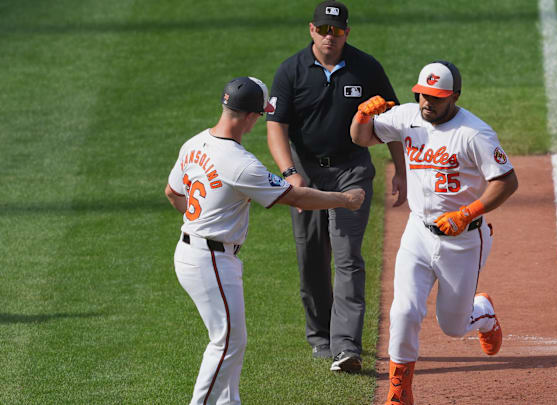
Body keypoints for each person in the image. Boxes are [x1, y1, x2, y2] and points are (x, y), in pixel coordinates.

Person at [164, 76, 365, 405]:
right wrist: (343, 199)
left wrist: (197, 221)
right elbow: (295, 196)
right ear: (251, 116)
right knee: (226, 341)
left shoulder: (194, 143)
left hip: (192, 251)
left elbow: (173, 192)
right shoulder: (240, 164)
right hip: (210, 260)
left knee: (233, 340)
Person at [350, 61, 519, 405]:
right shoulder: (407, 116)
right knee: (404, 311)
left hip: (464, 239)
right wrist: (361, 116)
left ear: (454, 96)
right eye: (423, 95)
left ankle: (483, 311)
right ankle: (399, 392)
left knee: (453, 327)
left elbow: (506, 181)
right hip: (418, 232)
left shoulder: (474, 133)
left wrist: (466, 213)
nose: (428, 102)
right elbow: (361, 138)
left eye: (437, 97)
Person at [265, 0, 406, 372]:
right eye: (323, 30)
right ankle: (320, 338)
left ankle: (347, 347)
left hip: (351, 172)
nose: (330, 37)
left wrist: (401, 170)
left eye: (337, 30)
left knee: (346, 257)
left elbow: (392, 119)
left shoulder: (366, 67)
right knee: (311, 256)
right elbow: (276, 126)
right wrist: (288, 172)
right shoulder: (291, 71)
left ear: (347, 32)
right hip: (307, 175)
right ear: (311, 30)